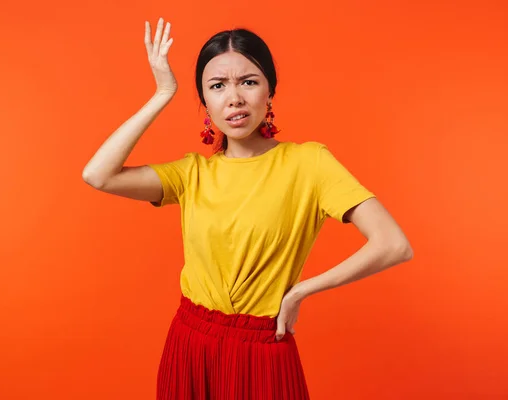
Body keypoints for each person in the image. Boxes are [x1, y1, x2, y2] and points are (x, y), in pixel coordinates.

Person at [82, 17, 413, 400]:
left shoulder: (309, 163)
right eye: (217, 86)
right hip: (191, 343)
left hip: (262, 347)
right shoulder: (192, 173)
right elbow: (97, 174)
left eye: (249, 82)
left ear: (270, 90)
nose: (234, 98)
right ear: (204, 101)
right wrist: (163, 92)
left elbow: (393, 244)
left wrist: (300, 291)